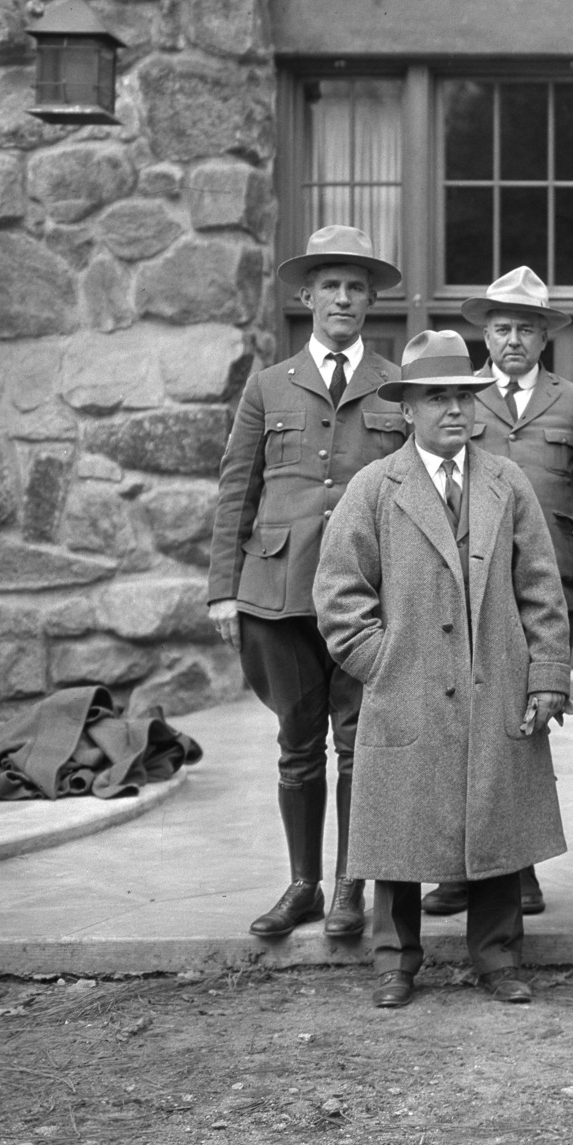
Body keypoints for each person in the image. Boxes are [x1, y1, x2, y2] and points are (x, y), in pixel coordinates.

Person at [314, 329, 571, 1008]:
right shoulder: (375, 487)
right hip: (408, 686)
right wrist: (384, 662)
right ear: (407, 410)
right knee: (400, 823)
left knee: (497, 815)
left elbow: (542, 583)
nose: (454, 409)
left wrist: (545, 673)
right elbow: (339, 594)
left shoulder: (504, 481)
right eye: (437, 397)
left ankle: (497, 957)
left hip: (497, 680)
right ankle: (396, 961)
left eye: (462, 395)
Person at [206, 225, 407, 942]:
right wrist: (222, 589)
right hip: (278, 589)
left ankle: (352, 886)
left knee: (358, 741)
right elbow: (237, 488)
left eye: (356, 287)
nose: (343, 299)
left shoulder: (395, 384)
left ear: (371, 301)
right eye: (330, 286)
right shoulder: (268, 384)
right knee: (297, 740)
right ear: (306, 297)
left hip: (365, 592)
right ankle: (303, 884)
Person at [419, 267, 573, 919]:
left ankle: (520, 870)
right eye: (501, 328)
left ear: (545, 335)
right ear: (484, 335)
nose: (513, 339)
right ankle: (458, 870)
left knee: (524, 725)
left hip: (549, 586)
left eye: (526, 328)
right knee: (459, 724)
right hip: (470, 586)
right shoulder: (459, 399)